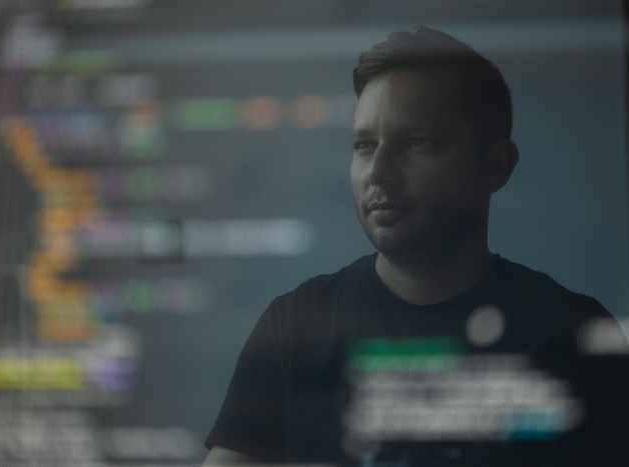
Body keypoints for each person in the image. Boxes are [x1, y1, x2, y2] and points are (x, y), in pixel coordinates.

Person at [203, 26, 627, 466]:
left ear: (496, 165)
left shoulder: (573, 336)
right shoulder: (292, 326)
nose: (379, 173)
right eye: (364, 146)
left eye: (417, 143)